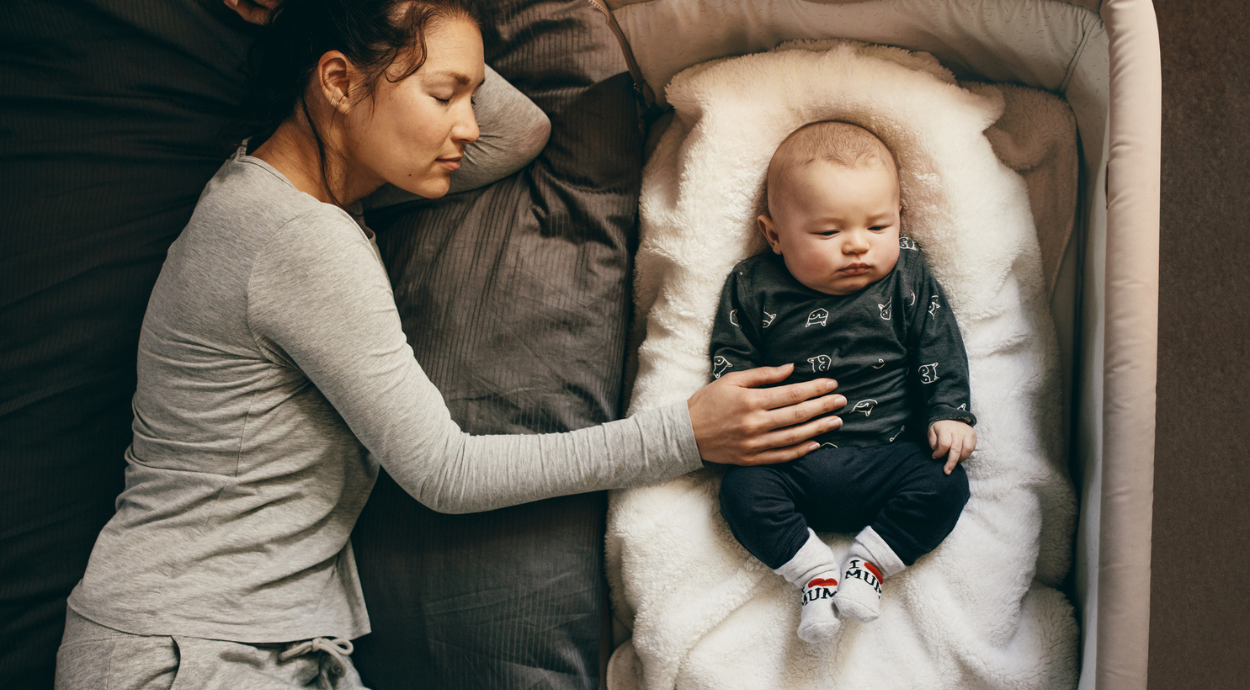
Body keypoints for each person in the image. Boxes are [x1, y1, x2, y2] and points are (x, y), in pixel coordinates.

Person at [52, 1, 848, 687]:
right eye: (444, 95)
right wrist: (683, 434)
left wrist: (397, 32)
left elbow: (518, 132)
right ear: (335, 83)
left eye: (468, 92)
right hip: (191, 648)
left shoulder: (279, 195)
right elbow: (446, 470)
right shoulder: (296, 238)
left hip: (245, 641)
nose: (467, 124)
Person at [711, 121, 977, 645]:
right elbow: (732, 361)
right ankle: (812, 571)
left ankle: (869, 566)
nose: (857, 247)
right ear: (774, 235)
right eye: (829, 233)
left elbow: (938, 345)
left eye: (878, 228)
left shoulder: (909, 276)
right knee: (739, 493)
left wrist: (949, 411)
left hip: (891, 454)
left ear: (900, 218)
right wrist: (740, 427)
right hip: (790, 457)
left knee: (948, 482)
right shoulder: (752, 284)